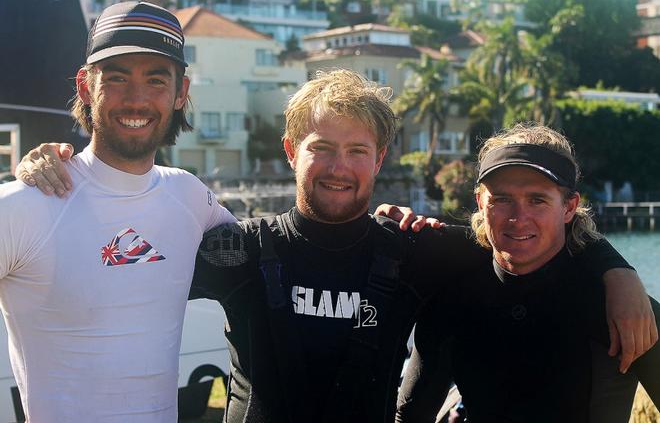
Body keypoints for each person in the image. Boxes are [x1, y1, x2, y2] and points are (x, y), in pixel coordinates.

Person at [17, 73, 655, 422]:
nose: (338, 167)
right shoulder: (237, 248)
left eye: (357, 151)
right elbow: (114, 251)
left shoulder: (416, 251)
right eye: (321, 147)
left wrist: (615, 267)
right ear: (293, 153)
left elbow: (523, 251)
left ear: (379, 160)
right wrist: (63, 178)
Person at [0, 1, 237, 421]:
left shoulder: (189, 195)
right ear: (86, 87)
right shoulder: (26, 204)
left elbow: (284, 246)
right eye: (117, 78)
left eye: (156, 80)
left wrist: (389, 220)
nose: (137, 99)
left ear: (181, 93)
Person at [395, 124, 660, 423]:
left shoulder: (622, 306)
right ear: (481, 202)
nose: (518, 218)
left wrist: (620, 271)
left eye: (537, 200)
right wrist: (386, 228)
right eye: (502, 199)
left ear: (569, 207)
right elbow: (410, 416)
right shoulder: (452, 298)